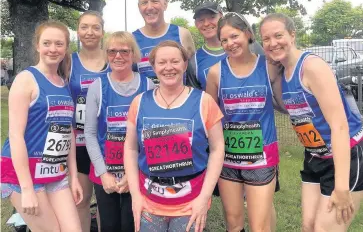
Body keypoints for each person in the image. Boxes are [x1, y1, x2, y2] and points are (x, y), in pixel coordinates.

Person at [260, 13, 363, 232]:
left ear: (292, 35)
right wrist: (272, 71)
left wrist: (342, 186)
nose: (272, 43)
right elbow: (286, 108)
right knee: (308, 226)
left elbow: (340, 125)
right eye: (266, 39)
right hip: (315, 154)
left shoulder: (312, 67)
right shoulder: (284, 71)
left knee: (324, 229)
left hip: (346, 153)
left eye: (278, 35)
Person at [124, 40, 225, 232]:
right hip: (149, 201)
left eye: (175, 61)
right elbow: (130, 148)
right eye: (162, 62)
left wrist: (203, 198)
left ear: (185, 64)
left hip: (190, 203)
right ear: (153, 66)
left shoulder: (204, 102)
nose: (168, 68)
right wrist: (136, 196)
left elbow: (217, 148)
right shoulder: (139, 102)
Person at [1, 20, 82, 231]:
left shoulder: (63, 83)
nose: (53, 49)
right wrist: (27, 189)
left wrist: (73, 177)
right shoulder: (26, 80)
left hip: (55, 171)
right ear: (37, 46)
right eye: (47, 43)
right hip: (24, 175)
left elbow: (68, 135)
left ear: (66, 48)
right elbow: (16, 135)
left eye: (59, 44)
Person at [206, 12, 282, 232]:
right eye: (224, 40)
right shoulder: (216, 73)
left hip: (262, 158)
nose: (230, 43)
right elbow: (209, 117)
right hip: (228, 158)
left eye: (234, 36)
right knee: (233, 223)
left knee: (260, 225)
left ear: (247, 34)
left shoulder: (268, 67)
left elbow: (284, 104)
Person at [84, 31, 155, 232]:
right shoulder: (97, 87)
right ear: (106, 54)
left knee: (133, 223)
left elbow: (149, 134)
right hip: (104, 171)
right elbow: (89, 133)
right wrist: (103, 173)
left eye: (124, 51)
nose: (118, 56)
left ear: (133, 54)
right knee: (109, 225)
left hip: (137, 171)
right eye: (112, 51)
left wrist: (133, 173)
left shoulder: (147, 85)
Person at [69, 10, 110, 231]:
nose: (90, 32)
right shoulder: (69, 61)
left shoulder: (115, 57)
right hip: (80, 143)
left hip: (110, 142)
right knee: (82, 201)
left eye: (95, 27)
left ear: (102, 31)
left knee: (106, 204)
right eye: (84, 27)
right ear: (78, 30)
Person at [133, 0, 196, 83]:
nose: (149, 7)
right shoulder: (132, 39)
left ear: (165, 4)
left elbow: (193, 75)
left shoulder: (182, 34)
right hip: (145, 98)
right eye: (144, 2)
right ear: (139, 7)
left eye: (155, 1)